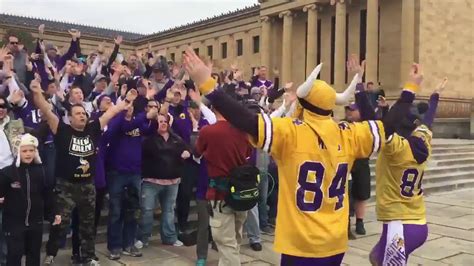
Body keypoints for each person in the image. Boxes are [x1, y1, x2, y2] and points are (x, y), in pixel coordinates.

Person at [183, 48, 422, 265]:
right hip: (336, 241)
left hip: (301, 243)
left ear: (303, 104)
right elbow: (387, 126)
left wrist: (208, 85)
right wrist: (409, 89)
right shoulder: (351, 133)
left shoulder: (290, 132)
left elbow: (245, 120)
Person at [30, 78, 138, 265]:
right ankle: (51, 255)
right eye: (78, 113)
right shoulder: (61, 129)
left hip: (87, 186)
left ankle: (88, 256)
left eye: (84, 113)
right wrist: (37, 92)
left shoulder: (93, 129)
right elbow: (46, 111)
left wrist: (126, 101)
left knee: (88, 226)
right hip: (66, 187)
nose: (82, 116)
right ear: (70, 117)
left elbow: (112, 112)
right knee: (60, 224)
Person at [369, 78, 446, 266]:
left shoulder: (396, 149)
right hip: (418, 222)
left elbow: (379, 129)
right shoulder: (424, 141)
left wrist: (362, 92)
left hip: (399, 225)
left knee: (382, 260)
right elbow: (428, 120)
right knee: (375, 257)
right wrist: (435, 95)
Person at [193, 102, 253, 266]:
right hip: (241, 193)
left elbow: (197, 153)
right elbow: (248, 153)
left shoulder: (208, 131)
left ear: (213, 110)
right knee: (234, 242)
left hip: (220, 195)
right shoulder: (242, 131)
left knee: (226, 244)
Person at [0, 133, 61, 266]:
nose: (28, 154)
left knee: (34, 255)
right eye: (24, 151)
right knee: (14, 255)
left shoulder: (42, 171)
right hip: (14, 223)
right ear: (18, 152)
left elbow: (48, 194)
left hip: (35, 221)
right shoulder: (7, 173)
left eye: (31, 150)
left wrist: (54, 213)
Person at [136, 113, 190, 248]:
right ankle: (143, 238)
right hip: (152, 181)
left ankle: (170, 238)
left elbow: (187, 149)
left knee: (169, 210)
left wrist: (187, 153)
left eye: (165, 121)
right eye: (160, 121)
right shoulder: (149, 140)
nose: (163, 123)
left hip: (173, 181)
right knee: (147, 210)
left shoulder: (176, 139)